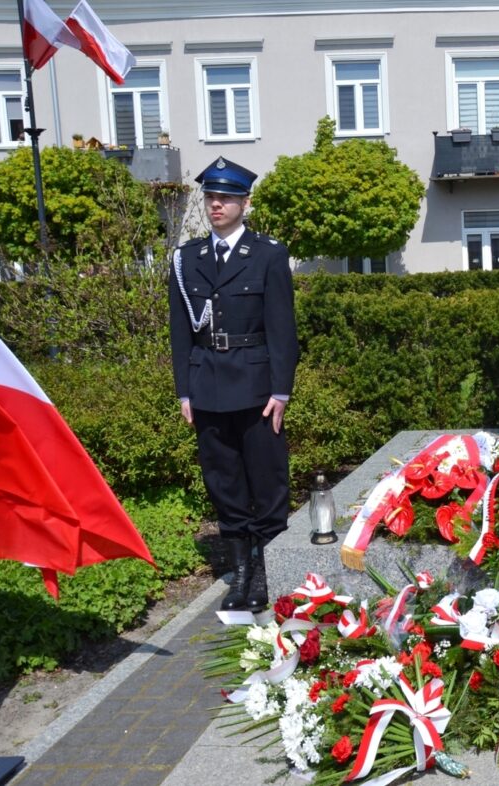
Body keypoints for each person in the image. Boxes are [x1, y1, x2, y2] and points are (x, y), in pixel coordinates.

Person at [168, 157, 299, 612]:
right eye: (210, 197)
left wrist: (281, 391)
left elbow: (283, 329)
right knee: (222, 481)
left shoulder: (268, 254)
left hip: (258, 386)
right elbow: (180, 331)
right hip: (208, 385)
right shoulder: (188, 259)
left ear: (245, 202)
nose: (216, 204)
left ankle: (267, 571)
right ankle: (240, 573)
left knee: (266, 480)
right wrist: (184, 390)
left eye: (225, 197)